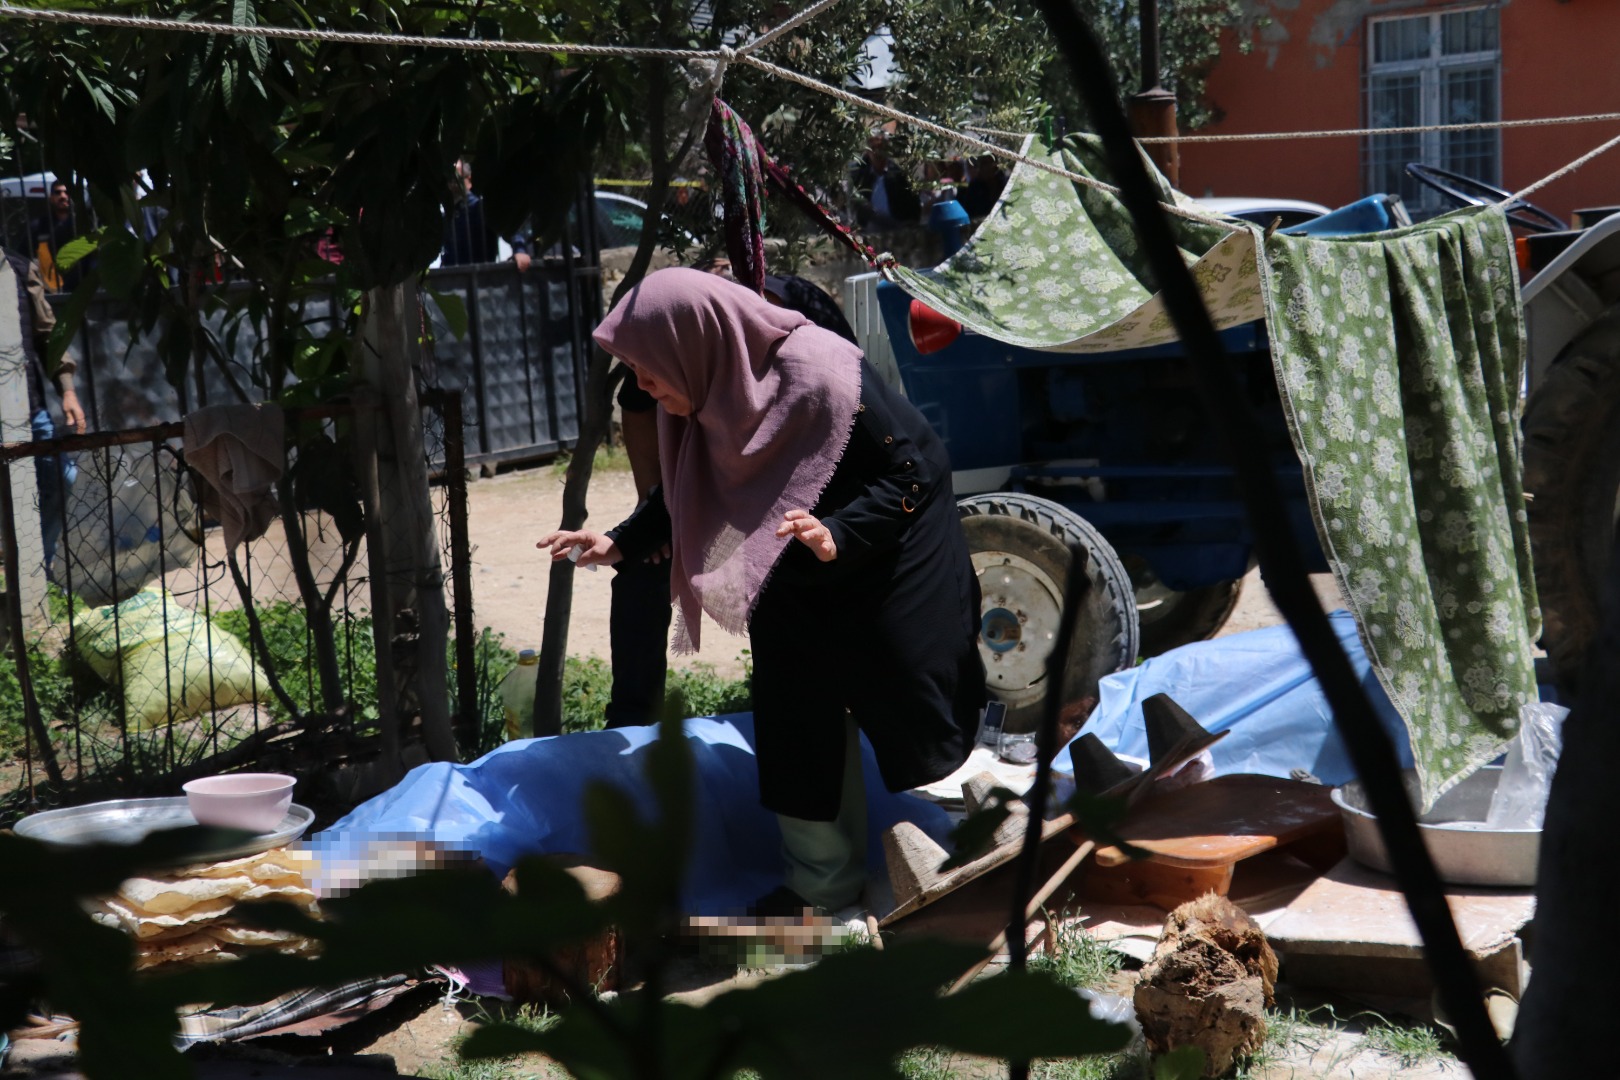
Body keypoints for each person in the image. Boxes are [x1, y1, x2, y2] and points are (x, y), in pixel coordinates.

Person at [538, 268, 985, 915]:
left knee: (914, 709)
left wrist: (840, 532)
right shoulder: (712, 390)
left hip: (888, 563)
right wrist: (621, 542)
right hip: (792, 571)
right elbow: (690, 490)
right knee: (794, 723)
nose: (642, 387)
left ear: (689, 341)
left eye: (646, 369)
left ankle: (990, 843)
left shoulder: (822, 369)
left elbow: (914, 469)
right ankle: (821, 895)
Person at [603, 264, 857, 730]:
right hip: (715, 492)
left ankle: (811, 711)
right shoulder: (681, 347)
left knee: (786, 580)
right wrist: (654, 512)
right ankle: (632, 725)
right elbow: (637, 408)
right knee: (642, 566)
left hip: (798, 497)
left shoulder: (808, 343)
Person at [4, 246, 85, 571]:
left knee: (62, 479)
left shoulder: (19, 268)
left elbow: (48, 333)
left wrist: (67, 391)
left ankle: (37, 568)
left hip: (28, 408)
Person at [441, 160, 531, 270]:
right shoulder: (448, 215)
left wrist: (520, 250)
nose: (451, 183)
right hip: (451, 279)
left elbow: (510, 228)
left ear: (469, 179)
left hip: (482, 278)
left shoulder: (480, 207)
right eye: (448, 179)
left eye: (456, 179)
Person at [31, 180, 89, 292]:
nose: (63, 196)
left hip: (82, 288)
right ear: (51, 197)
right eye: (58, 192)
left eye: (66, 192)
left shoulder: (84, 224)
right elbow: (23, 254)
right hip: (50, 291)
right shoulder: (39, 226)